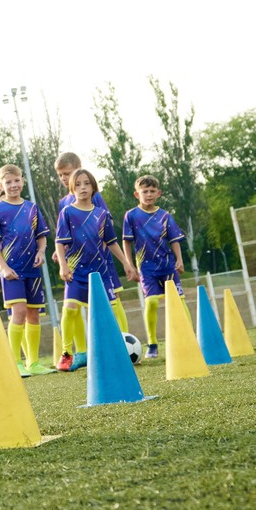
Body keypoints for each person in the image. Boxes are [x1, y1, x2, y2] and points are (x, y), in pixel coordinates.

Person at [50, 168, 138, 372]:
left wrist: (126, 263)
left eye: (86, 183)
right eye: (78, 184)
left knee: (107, 312)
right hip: (76, 271)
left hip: (100, 273)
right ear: (72, 188)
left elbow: (111, 242)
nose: (82, 188)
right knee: (70, 309)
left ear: (93, 187)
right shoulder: (67, 213)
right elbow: (60, 242)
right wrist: (63, 265)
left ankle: (118, 349)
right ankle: (66, 353)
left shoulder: (102, 214)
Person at [53, 151, 132, 335]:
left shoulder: (93, 195)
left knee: (113, 298)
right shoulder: (64, 203)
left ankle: (125, 340)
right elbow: (64, 233)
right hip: (77, 264)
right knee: (74, 304)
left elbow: (107, 225)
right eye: (61, 175)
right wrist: (61, 251)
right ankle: (80, 351)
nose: (65, 178)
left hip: (101, 261)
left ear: (79, 169)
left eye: (68, 172)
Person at [0, 164, 51, 375]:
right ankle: (15, 363)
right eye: (8, 182)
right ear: (1, 185)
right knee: (19, 312)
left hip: (32, 269)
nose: (13, 185)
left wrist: (41, 252)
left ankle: (33, 363)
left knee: (33, 314)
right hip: (11, 271)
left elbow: (41, 236)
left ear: (22, 181)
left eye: (16, 181)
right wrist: (3, 267)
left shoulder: (31, 208)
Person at [121, 174, 187, 359]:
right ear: (137, 194)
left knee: (179, 301)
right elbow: (126, 242)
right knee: (151, 301)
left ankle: (188, 337)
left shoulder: (165, 216)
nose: (148, 194)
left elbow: (174, 240)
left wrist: (179, 259)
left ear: (159, 193)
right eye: (145, 191)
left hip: (167, 266)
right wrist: (129, 265)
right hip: (146, 268)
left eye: (152, 191)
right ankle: (152, 344)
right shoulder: (131, 216)